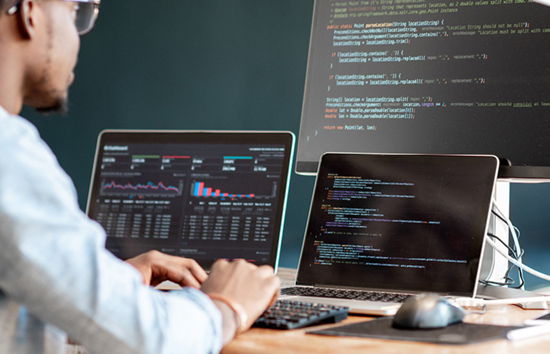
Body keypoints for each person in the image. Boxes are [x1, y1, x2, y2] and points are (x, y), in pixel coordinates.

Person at [0, 0, 280, 353]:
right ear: (29, 13)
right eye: (77, 13)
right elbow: (150, 340)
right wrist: (227, 305)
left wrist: (110, 287)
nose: (79, 37)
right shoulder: (10, 157)